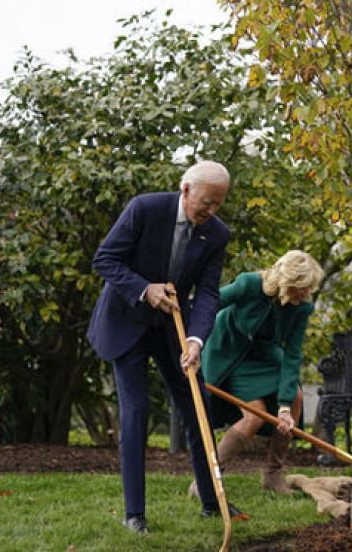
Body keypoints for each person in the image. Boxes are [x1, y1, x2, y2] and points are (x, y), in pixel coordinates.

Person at [87, 160, 234, 534]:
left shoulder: (216, 234)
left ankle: (212, 501)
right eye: (207, 202)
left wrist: (198, 339)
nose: (212, 212)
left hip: (174, 328)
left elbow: (209, 293)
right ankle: (134, 513)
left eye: (219, 204)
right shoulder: (145, 208)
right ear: (185, 190)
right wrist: (144, 288)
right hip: (127, 321)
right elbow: (104, 259)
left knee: (195, 405)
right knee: (135, 413)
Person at [197, 250, 324, 495]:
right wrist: (193, 340)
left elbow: (292, 354)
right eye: (304, 287)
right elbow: (210, 305)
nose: (308, 293)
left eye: (311, 287)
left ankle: (273, 476)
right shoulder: (250, 285)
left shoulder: (301, 308)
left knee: (295, 397)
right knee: (254, 417)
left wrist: (284, 407)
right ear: (288, 283)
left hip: (263, 357)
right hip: (228, 354)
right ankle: (207, 480)